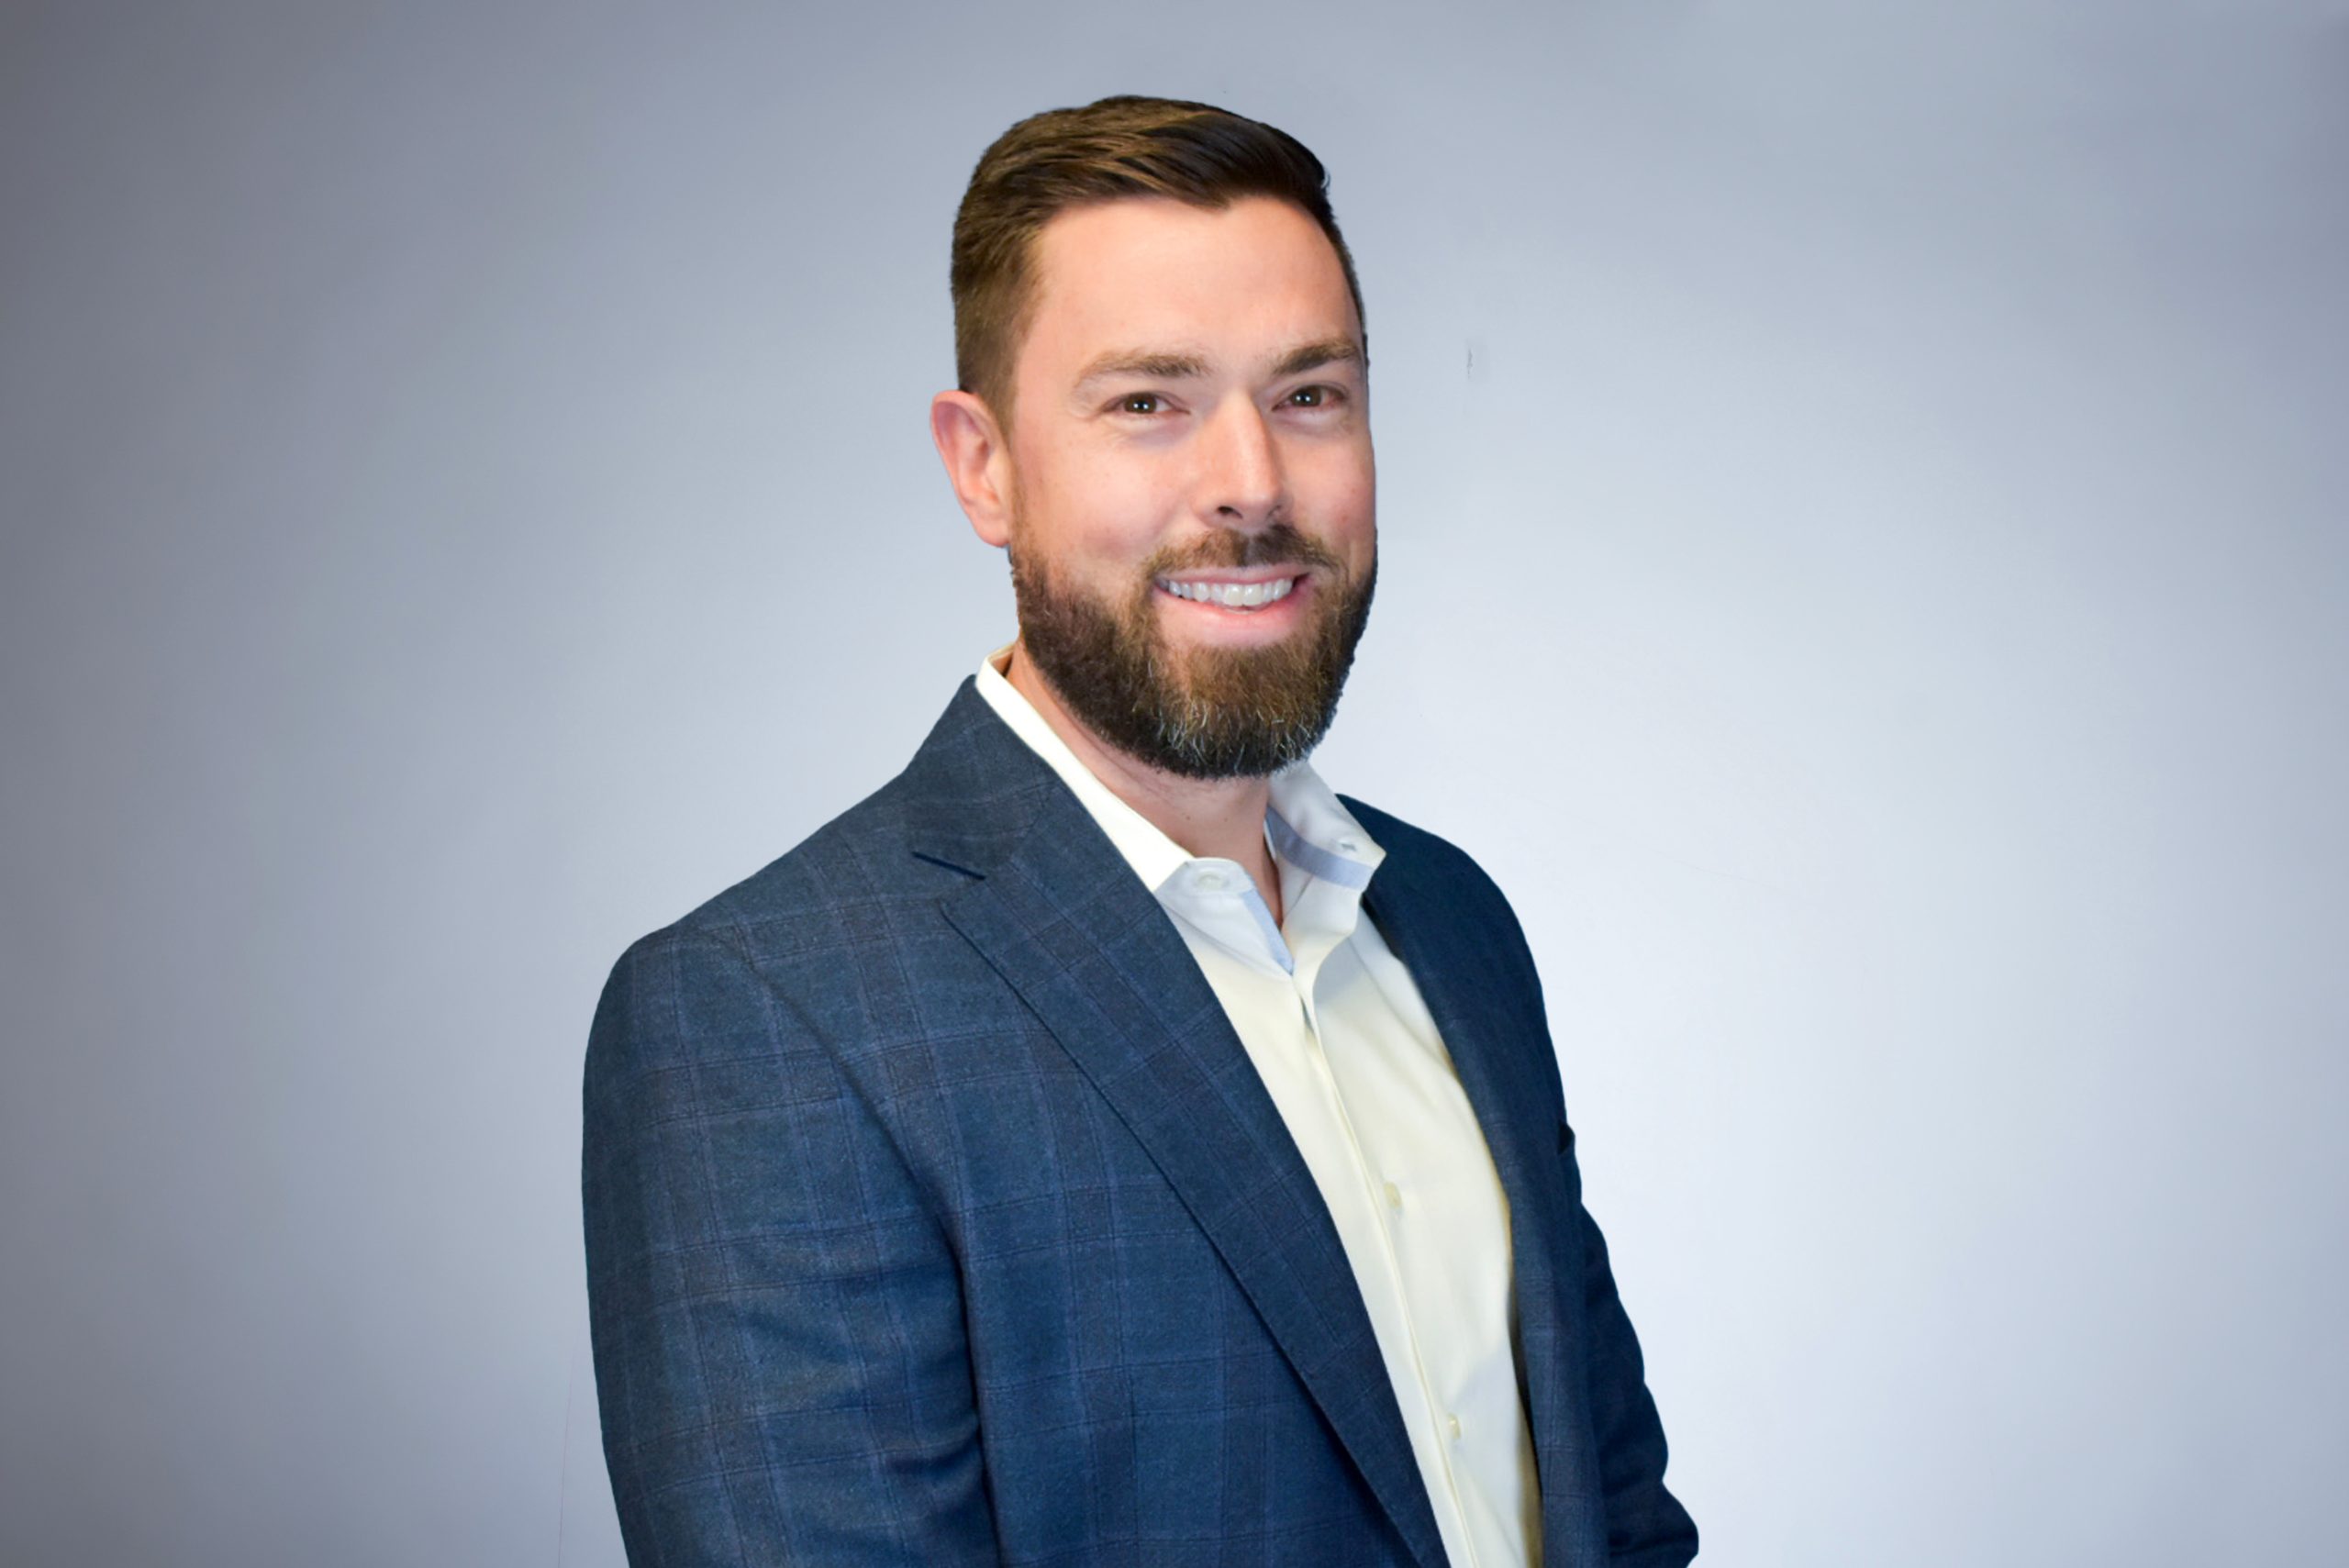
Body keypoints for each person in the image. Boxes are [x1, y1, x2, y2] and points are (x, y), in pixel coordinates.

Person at [583, 95, 1697, 1568]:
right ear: (983, 466)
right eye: (1148, 403)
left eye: (1310, 394)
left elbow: (1619, 1521)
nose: (1251, 482)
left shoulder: (1453, 922)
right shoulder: (766, 1018)